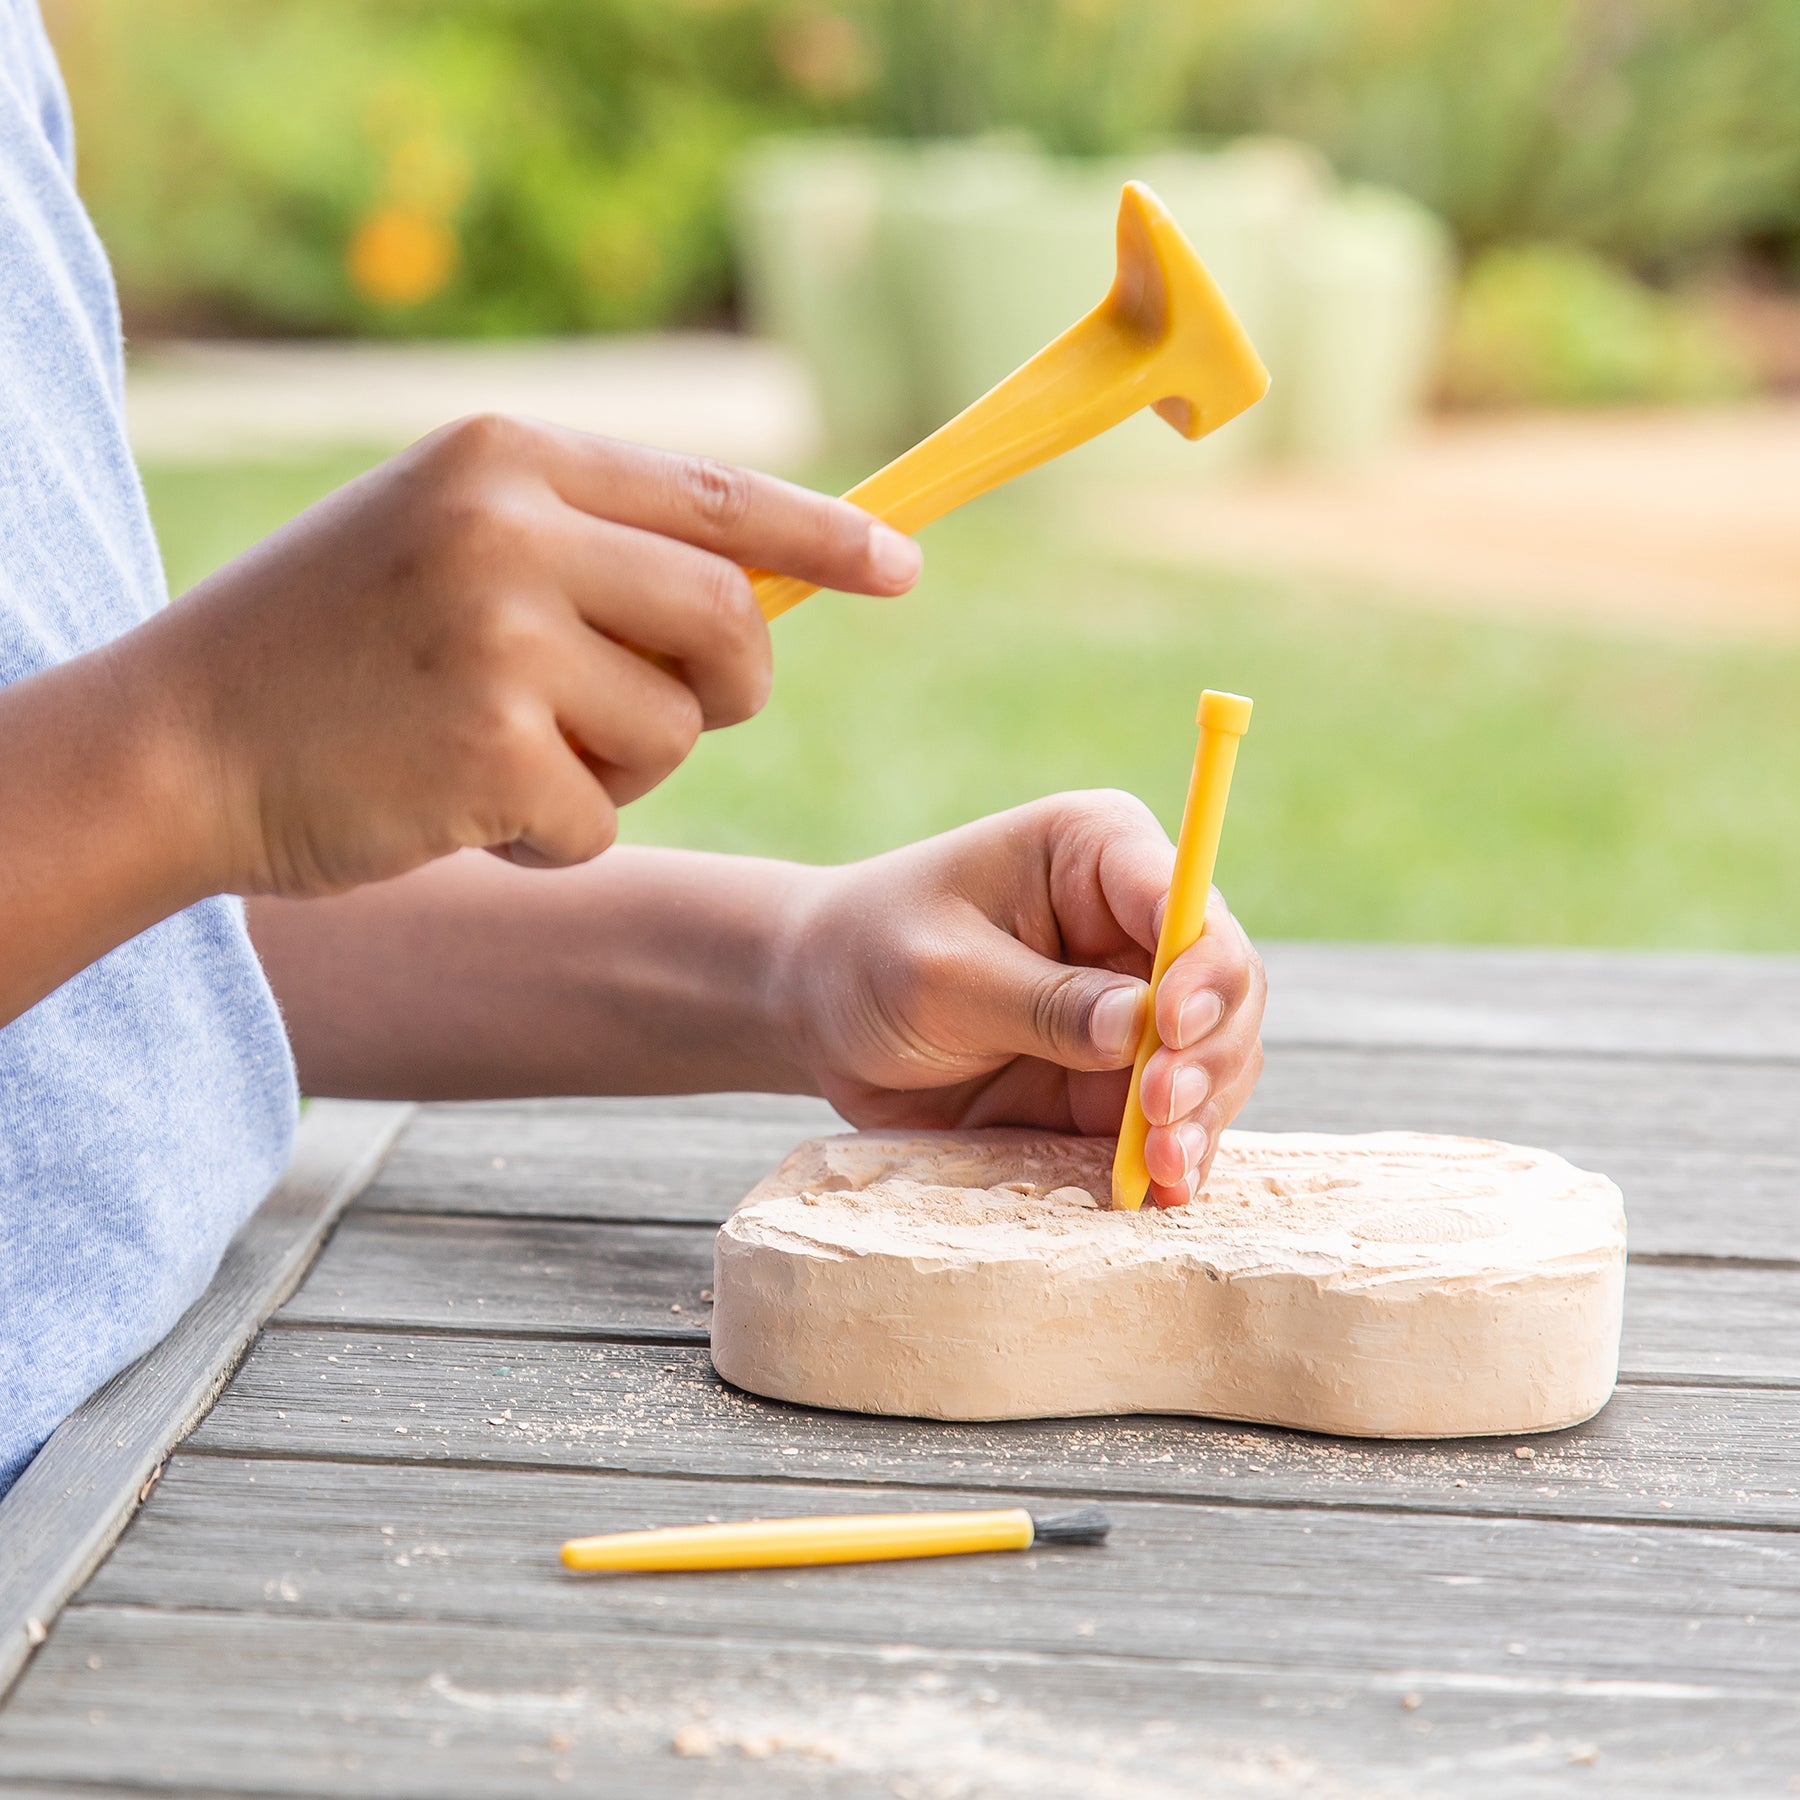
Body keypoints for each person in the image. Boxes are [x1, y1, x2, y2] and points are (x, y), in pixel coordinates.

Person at [0, 0, 1266, 1495]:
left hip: (162, 1419)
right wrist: (199, 746)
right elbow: (146, 800)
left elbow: (135, 944)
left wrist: (792, 966)